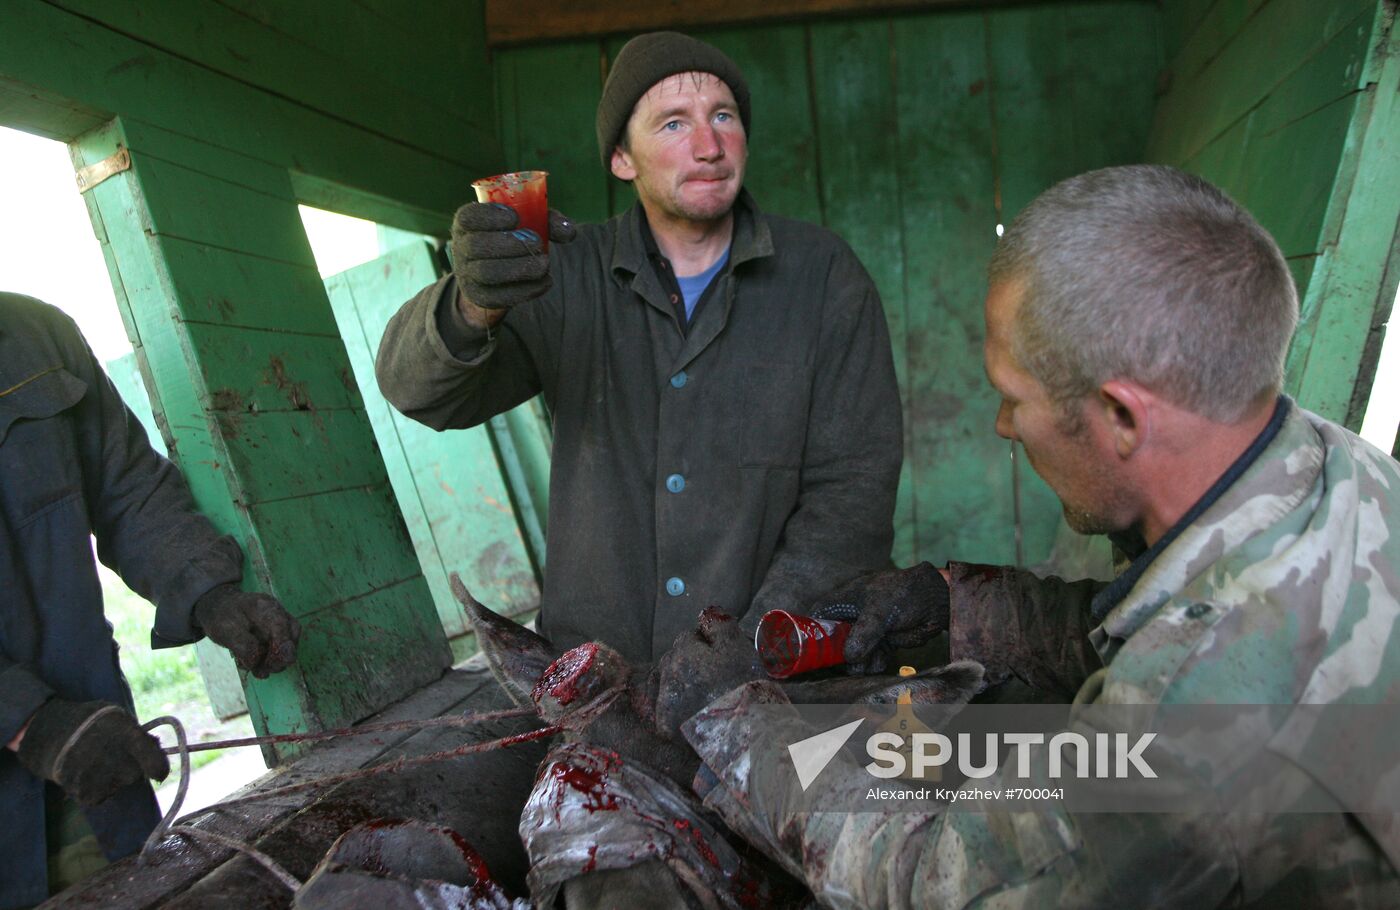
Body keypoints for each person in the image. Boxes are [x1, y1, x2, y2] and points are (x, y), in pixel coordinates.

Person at [673, 165, 1400, 906]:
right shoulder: (1331, 459)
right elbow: (1175, 605)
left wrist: (744, 733)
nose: (1002, 425)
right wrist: (965, 611)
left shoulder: (1195, 709)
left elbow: (933, 879)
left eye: (1014, 399)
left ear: (1121, 415)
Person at [375, 31, 902, 663]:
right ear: (622, 158)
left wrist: (751, 650)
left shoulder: (823, 276)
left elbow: (854, 491)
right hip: (597, 678)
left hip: (768, 677)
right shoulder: (562, 274)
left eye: (724, 117)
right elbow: (416, 392)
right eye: (674, 123)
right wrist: (471, 302)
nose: (709, 146)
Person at [0, 292, 302, 908]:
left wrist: (208, 593)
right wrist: (26, 721)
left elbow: (127, 492)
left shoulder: (35, 338)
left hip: (89, 769)